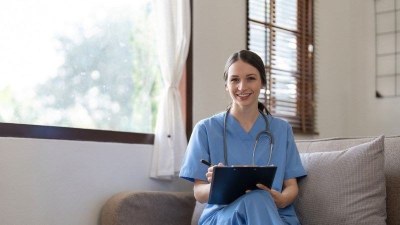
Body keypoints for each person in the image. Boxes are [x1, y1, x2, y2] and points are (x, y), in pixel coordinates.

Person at [179, 50, 307, 225]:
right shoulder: (205, 130)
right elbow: (199, 192)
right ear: (226, 85)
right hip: (224, 217)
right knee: (257, 198)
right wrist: (221, 183)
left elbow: (291, 186)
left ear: (262, 82)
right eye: (235, 80)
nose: (242, 87)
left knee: (259, 198)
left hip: (276, 215)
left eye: (250, 78)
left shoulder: (281, 129)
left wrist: (281, 199)